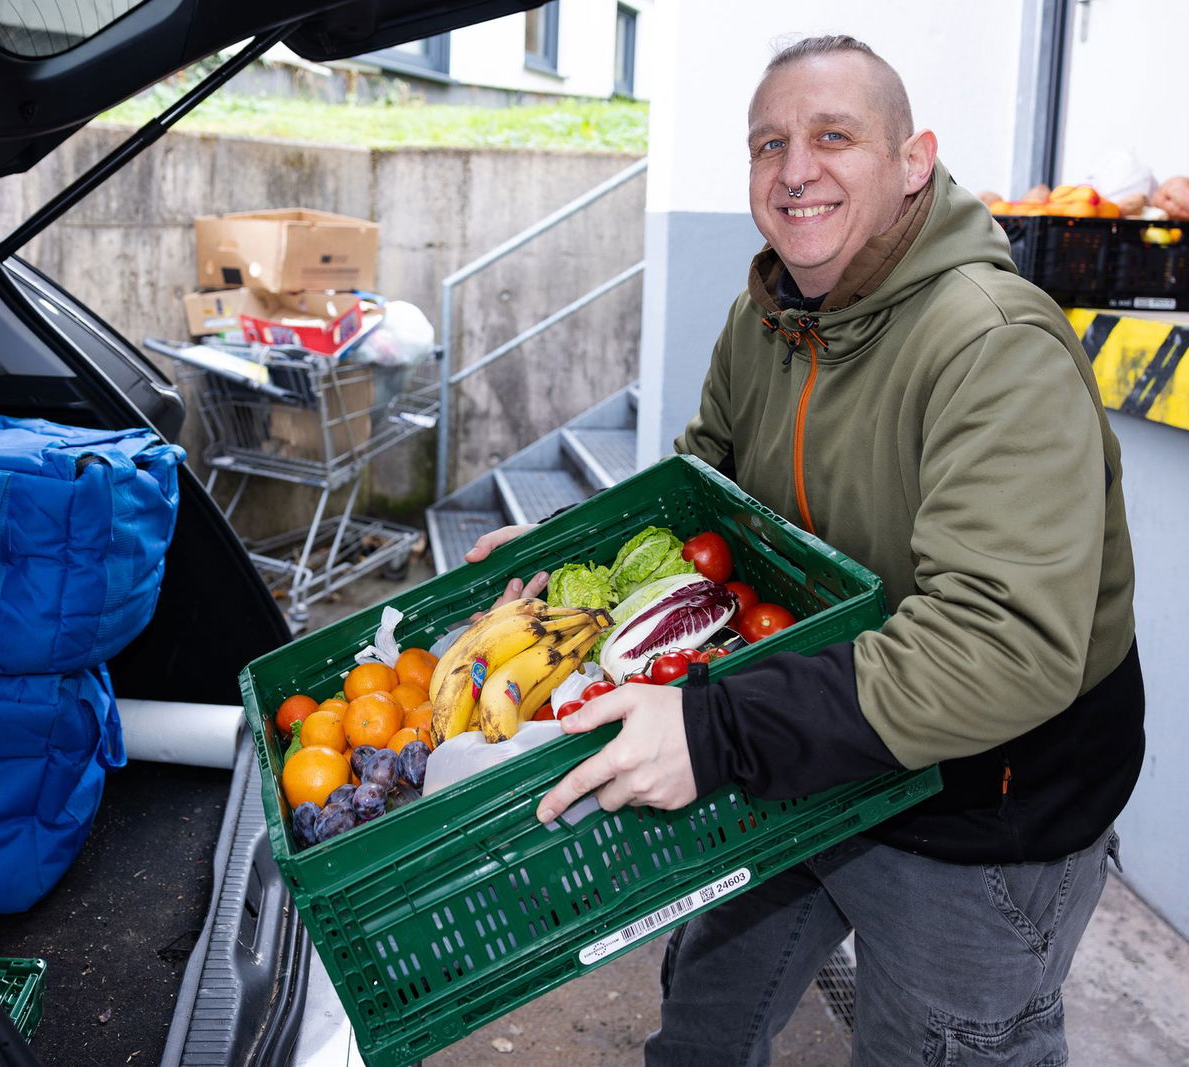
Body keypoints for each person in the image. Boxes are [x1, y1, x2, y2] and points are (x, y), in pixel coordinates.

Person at [464, 35, 1142, 1065]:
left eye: (833, 136)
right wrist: (584, 552)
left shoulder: (994, 345)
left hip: (977, 804)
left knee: (942, 1043)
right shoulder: (768, 318)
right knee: (703, 1016)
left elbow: (1002, 646)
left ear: (912, 160)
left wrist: (720, 728)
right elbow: (706, 487)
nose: (794, 169)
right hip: (807, 742)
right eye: (768, 143)